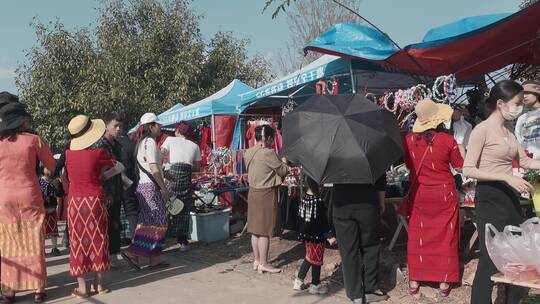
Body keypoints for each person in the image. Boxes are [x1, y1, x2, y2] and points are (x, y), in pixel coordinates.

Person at [463, 80, 540, 304]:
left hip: (509, 196)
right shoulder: (482, 130)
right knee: (490, 258)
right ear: (500, 103)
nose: (519, 108)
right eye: (517, 103)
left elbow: (525, 162)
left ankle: (510, 299)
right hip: (489, 196)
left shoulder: (509, 132)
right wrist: (506, 176)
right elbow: (468, 169)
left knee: (516, 254)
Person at [403, 98, 464, 298]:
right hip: (444, 193)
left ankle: (414, 281)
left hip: (420, 193)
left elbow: (408, 166)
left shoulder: (409, 141)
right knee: (446, 236)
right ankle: (444, 282)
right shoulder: (448, 141)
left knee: (418, 236)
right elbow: (460, 167)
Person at [0, 92, 55, 304]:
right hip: (30, 195)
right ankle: (39, 290)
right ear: (21, 120)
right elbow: (51, 167)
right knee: (34, 242)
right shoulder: (34, 140)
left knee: (8, 242)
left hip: (4, 197)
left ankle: (8, 291)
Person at [65, 115, 117, 298]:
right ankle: (100, 285)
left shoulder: (68, 155)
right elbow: (119, 167)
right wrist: (102, 177)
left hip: (75, 203)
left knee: (77, 243)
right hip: (95, 200)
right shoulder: (99, 154)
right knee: (99, 239)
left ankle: (82, 288)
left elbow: (65, 178)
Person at [331, 173, 389, 304]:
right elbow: (380, 177)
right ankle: (370, 289)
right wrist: (381, 201)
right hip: (367, 201)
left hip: (341, 203)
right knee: (370, 246)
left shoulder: (334, 153)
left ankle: (355, 294)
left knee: (348, 250)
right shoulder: (372, 152)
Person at [123, 113, 171, 269]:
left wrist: (165, 175)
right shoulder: (149, 142)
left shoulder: (141, 142)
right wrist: (163, 187)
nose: (160, 127)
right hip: (150, 187)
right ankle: (135, 252)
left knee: (150, 222)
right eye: (158, 125)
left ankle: (152, 258)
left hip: (144, 186)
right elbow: (152, 166)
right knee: (158, 222)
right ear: (151, 126)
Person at [244, 125, 289, 274]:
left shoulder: (248, 152)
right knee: (264, 231)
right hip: (266, 193)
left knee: (255, 230)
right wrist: (285, 161)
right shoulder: (268, 153)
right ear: (268, 138)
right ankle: (264, 262)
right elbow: (283, 170)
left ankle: (257, 260)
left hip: (253, 192)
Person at [161, 122, 201, 251]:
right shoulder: (195, 146)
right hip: (186, 179)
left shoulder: (170, 139)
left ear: (178, 131)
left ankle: (161, 241)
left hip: (172, 177)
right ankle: (183, 242)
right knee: (184, 210)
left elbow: (161, 154)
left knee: (166, 208)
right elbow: (197, 168)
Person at [292, 175, 336, 295]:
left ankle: (301, 281)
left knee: (311, 258)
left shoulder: (303, 199)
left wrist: (301, 233)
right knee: (315, 259)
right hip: (317, 236)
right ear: (319, 186)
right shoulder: (319, 202)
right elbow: (323, 222)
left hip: (307, 235)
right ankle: (313, 284)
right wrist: (329, 236)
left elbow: (300, 219)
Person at [100, 113, 125, 265]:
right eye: (115, 126)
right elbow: (98, 172)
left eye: (121, 126)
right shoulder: (99, 145)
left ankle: (114, 253)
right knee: (105, 224)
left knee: (115, 223)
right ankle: (105, 255)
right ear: (106, 126)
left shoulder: (117, 145)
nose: (119, 129)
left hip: (117, 189)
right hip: (104, 191)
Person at [39, 166, 63, 256]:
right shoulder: (39, 182)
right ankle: (42, 249)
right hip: (42, 210)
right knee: (42, 231)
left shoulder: (55, 181)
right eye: (46, 167)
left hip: (52, 208)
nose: (49, 169)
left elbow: (60, 194)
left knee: (53, 230)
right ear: (42, 169)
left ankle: (54, 248)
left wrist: (59, 186)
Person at [515, 80, 540, 159]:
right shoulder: (521, 119)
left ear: (537, 93)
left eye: (528, 93)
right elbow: (520, 143)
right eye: (522, 94)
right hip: (531, 166)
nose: (524, 96)